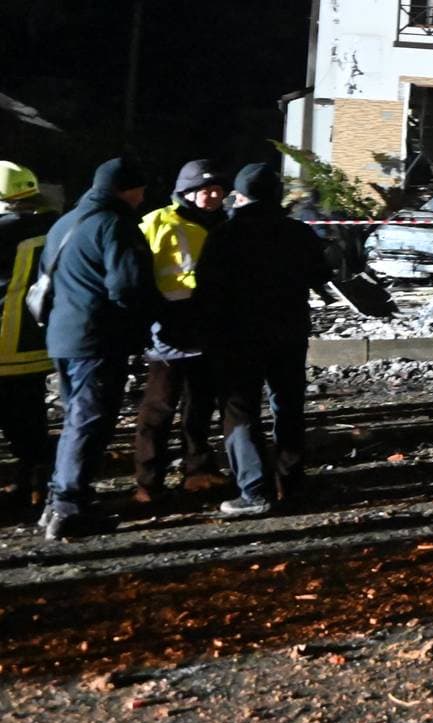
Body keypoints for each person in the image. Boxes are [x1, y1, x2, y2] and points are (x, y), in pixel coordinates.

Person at [195, 163, 332, 518]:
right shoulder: (298, 233)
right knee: (287, 405)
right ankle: (291, 481)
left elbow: (206, 288)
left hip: (238, 336)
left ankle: (254, 489)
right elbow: (322, 274)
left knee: (241, 410)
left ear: (240, 195)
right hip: (288, 332)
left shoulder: (225, 235)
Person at [40, 157, 155, 539]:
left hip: (63, 333)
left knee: (76, 418)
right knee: (89, 422)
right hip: (98, 337)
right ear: (127, 188)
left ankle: (58, 500)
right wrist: (142, 319)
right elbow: (127, 287)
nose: (142, 198)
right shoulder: (115, 225)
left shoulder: (65, 223)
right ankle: (69, 508)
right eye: (140, 189)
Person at [132, 159, 229, 504]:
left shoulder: (226, 225)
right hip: (168, 329)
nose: (213, 195)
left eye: (218, 189)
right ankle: (148, 481)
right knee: (158, 408)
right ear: (187, 191)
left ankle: (198, 470)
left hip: (209, 328)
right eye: (206, 189)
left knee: (200, 406)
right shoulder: (157, 222)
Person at [0, 163, 58, 516]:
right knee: (31, 416)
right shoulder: (51, 226)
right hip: (37, 341)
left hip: (3, 342)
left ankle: (30, 485)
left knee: (14, 420)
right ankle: (35, 484)